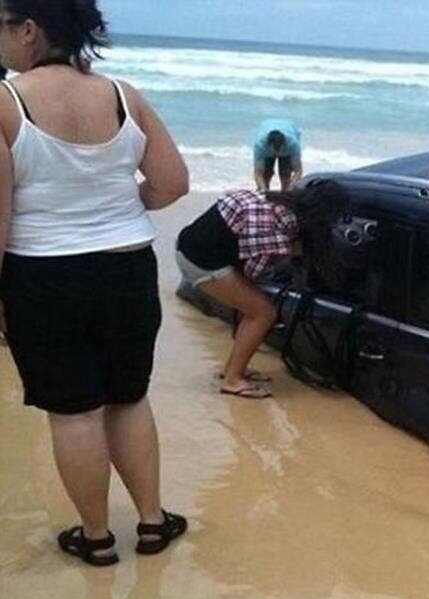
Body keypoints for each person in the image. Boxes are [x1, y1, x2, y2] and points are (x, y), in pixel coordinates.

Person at [0, 0, 189, 566]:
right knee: (128, 399)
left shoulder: (7, 102)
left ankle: (97, 537)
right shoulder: (123, 95)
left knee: (74, 412)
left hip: (45, 275)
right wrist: (118, 204)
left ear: (29, 30)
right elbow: (172, 183)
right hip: (127, 267)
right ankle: (153, 524)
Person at [175, 181, 349, 399]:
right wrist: (289, 252)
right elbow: (255, 272)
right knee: (262, 313)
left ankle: (231, 370)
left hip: (194, 245)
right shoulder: (272, 227)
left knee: (255, 309)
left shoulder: (277, 201)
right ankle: (233, 380)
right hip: (201, 261)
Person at [252, 118, 302, 192]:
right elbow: (258, 173)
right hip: (265, 129)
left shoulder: (293, 144)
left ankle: (285, 194)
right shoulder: (260, 146)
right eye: (275, 150)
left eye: (279, 150)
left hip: (288, 137)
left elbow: (298, 170)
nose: (277, 153)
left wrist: (291, 187)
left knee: (285, 175)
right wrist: (264, 190)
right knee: (266, 175)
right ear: (268, 145)